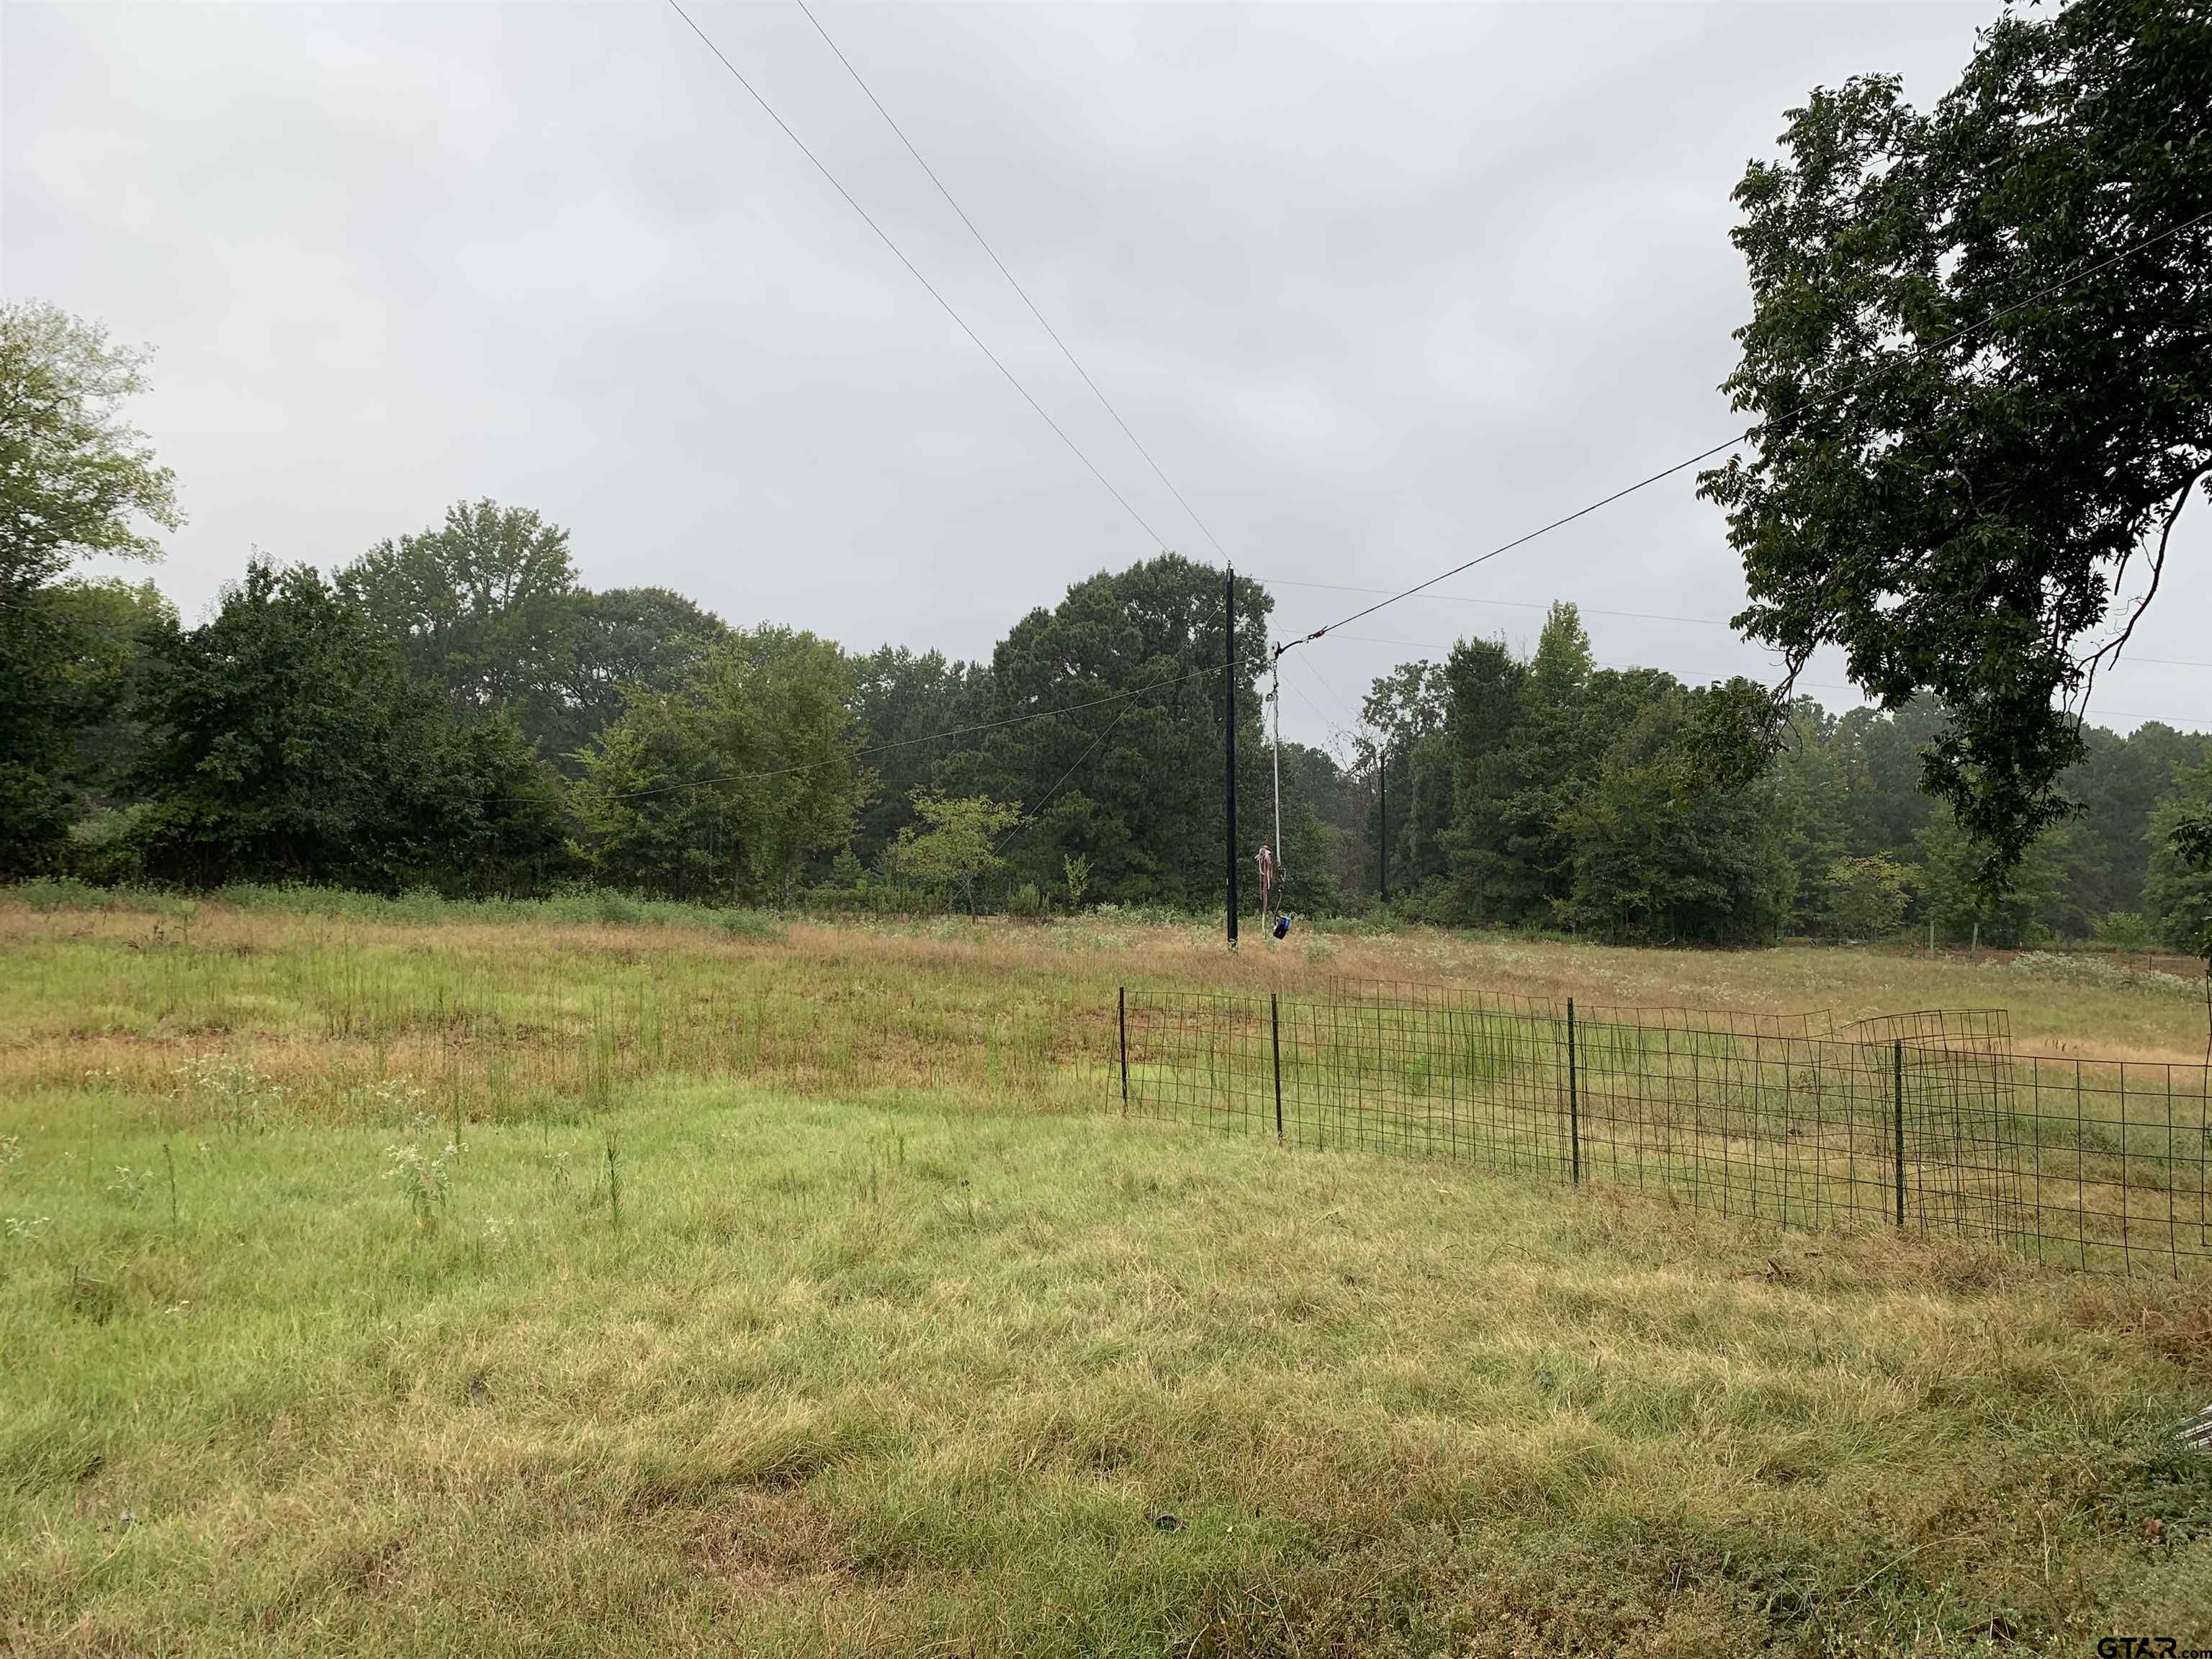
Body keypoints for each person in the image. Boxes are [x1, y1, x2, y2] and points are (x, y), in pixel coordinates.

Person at [1255, 843, 1274, 918]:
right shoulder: (1263, 854)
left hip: (1267, 872)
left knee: (1267, 876)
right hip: (1264, 873)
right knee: (1263, 886)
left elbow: (1269, 864)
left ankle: (1265, 913)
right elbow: (1258, 858)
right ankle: (1263, 913)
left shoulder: (1268, 854)